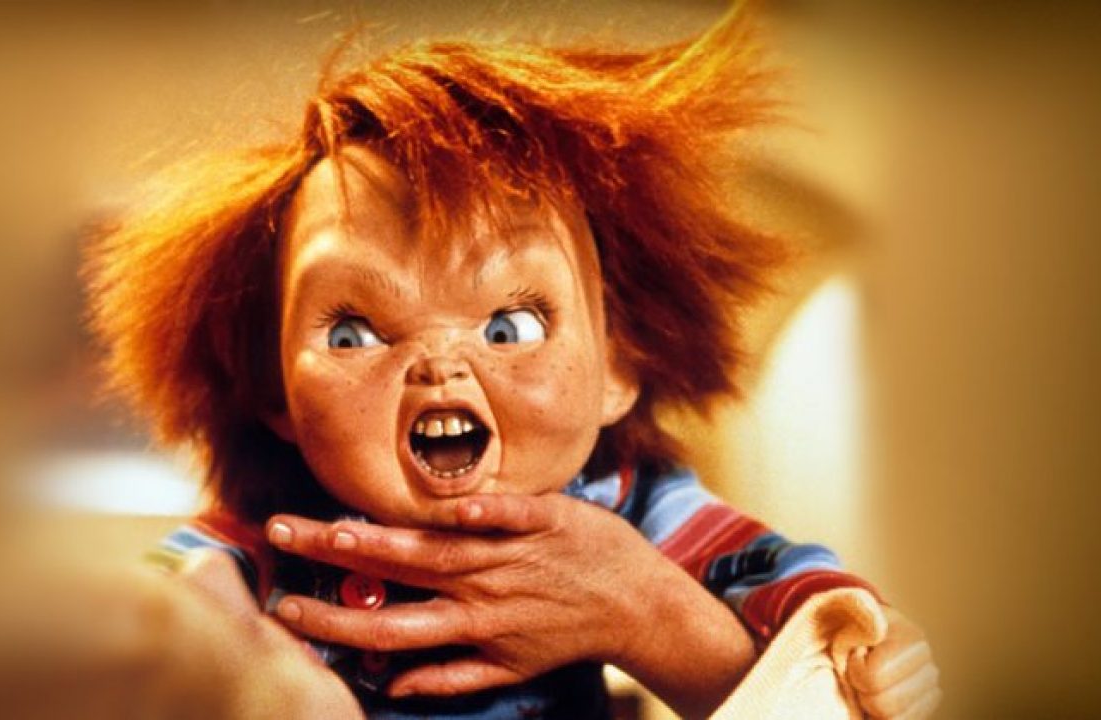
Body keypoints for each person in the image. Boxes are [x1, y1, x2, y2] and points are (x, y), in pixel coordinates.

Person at [88, 7, 940, 719]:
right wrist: (193, 629)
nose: (439, 366)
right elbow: (158, 605)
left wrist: (858, 632)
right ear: (275, 392)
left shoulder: (632, 504)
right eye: (353, 333)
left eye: (512, 325)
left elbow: (774, 579)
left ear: (617, 370)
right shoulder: (273, 531)